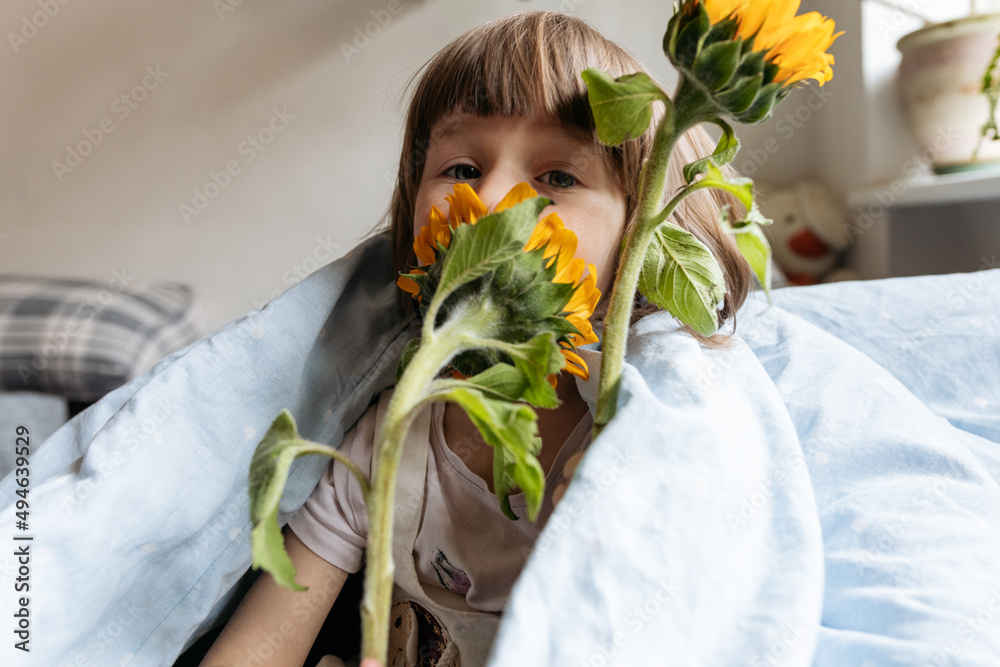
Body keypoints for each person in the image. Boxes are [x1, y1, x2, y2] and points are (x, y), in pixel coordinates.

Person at [200, 10, 753, 667]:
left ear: (639, 236)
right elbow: (259, 644)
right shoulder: (388, 440)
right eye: (461, 169)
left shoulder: (649, 431)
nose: (492, 198)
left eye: (557, 176)